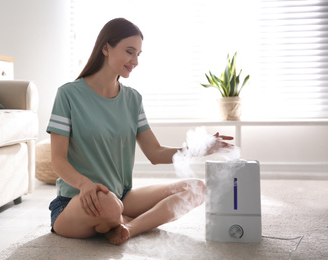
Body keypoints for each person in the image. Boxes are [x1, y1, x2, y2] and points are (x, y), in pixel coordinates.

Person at [46, 18, 233, 245]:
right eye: (129, 52)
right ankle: (117, 218)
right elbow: (57, 160)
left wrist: (200, 148)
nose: (135, 61)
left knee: (196, 189)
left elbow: (155, 153)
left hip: (121, 197)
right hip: (76, 201)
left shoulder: (133, 99)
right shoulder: (68, 95)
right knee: (109, 206)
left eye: (138, 54)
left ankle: (128, 227)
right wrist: (85, 184)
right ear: (106, 48)